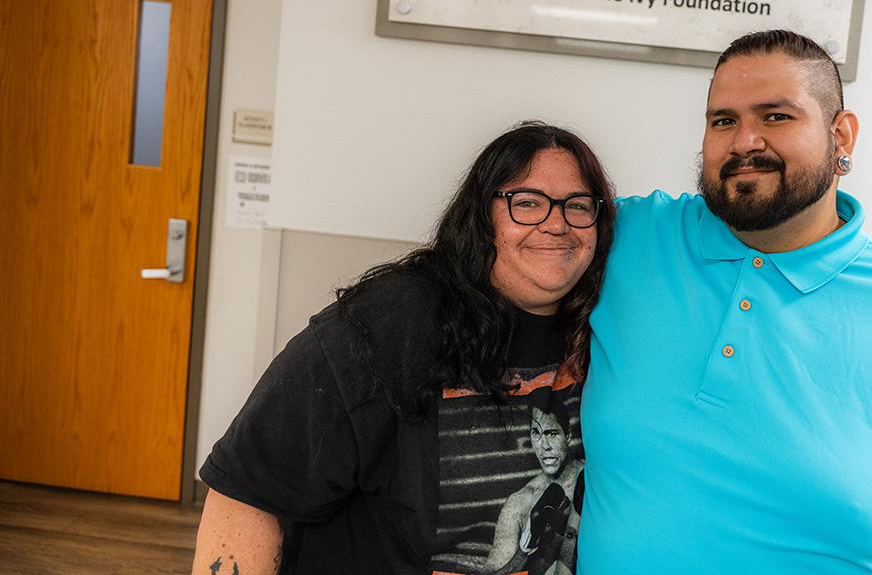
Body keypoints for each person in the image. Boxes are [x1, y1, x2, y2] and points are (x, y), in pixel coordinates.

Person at [579, 30, 872, 573]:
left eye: (776, 116)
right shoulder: (627, 241)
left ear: (842, 136)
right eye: (723, 121)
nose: (744, 141)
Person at [192, 122, 614, 575]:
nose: (556, 223)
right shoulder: (391, 322)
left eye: (577, 205)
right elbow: (249, 493)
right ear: (482, 217)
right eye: (527, 203)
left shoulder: (604, 330)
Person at [483, 404, 584, 575]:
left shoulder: (593, 477)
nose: (544, 445)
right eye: (536, 433)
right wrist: (525, 548)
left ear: (568, 436)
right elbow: (494, 571)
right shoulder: (519, 502)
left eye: (551, 434)